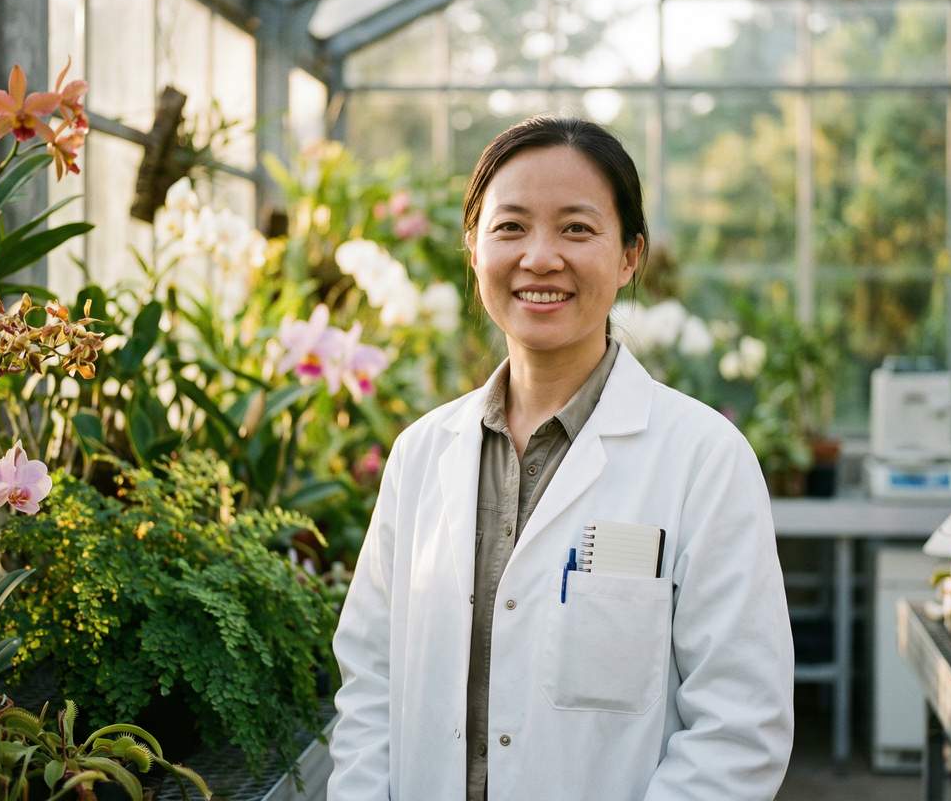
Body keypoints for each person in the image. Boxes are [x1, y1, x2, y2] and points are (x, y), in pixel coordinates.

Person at [328, 116, 794, 800]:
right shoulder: (422, 456)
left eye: (576, 229)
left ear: (630, 255)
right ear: (473, 246)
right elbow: (371, 684)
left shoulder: (703, 460)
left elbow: (740, 725)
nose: (540, 258)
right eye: (510, 227)